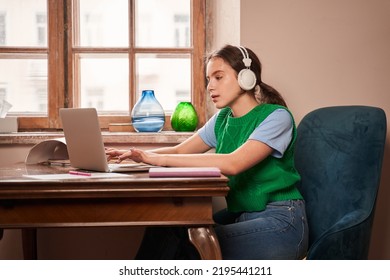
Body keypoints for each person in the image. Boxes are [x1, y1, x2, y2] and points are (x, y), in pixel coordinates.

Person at [105, 44, 309, 260]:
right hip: (241, 217)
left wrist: (159, 159)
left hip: (282, 223)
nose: (210, 86)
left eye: (218, 77)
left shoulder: (277, 117)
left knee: (190, 247)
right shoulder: (222, 119)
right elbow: (180, 150)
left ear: (246, 77)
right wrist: (136, 155)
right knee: (166, 227)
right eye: (208, 79)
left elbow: (233, 163)